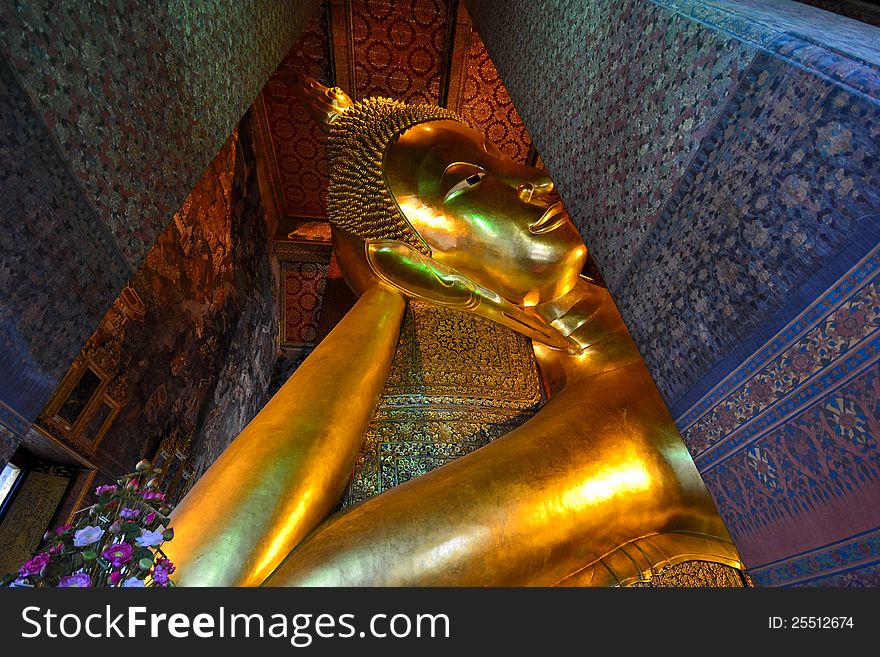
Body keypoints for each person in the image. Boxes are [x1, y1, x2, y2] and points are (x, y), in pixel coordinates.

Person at [165, 79, 744, 587]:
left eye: (503, 159)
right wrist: (379, 306)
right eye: (470, 181)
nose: (537, 180)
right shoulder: (456, 324)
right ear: (420, 264)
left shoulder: (641, 306)